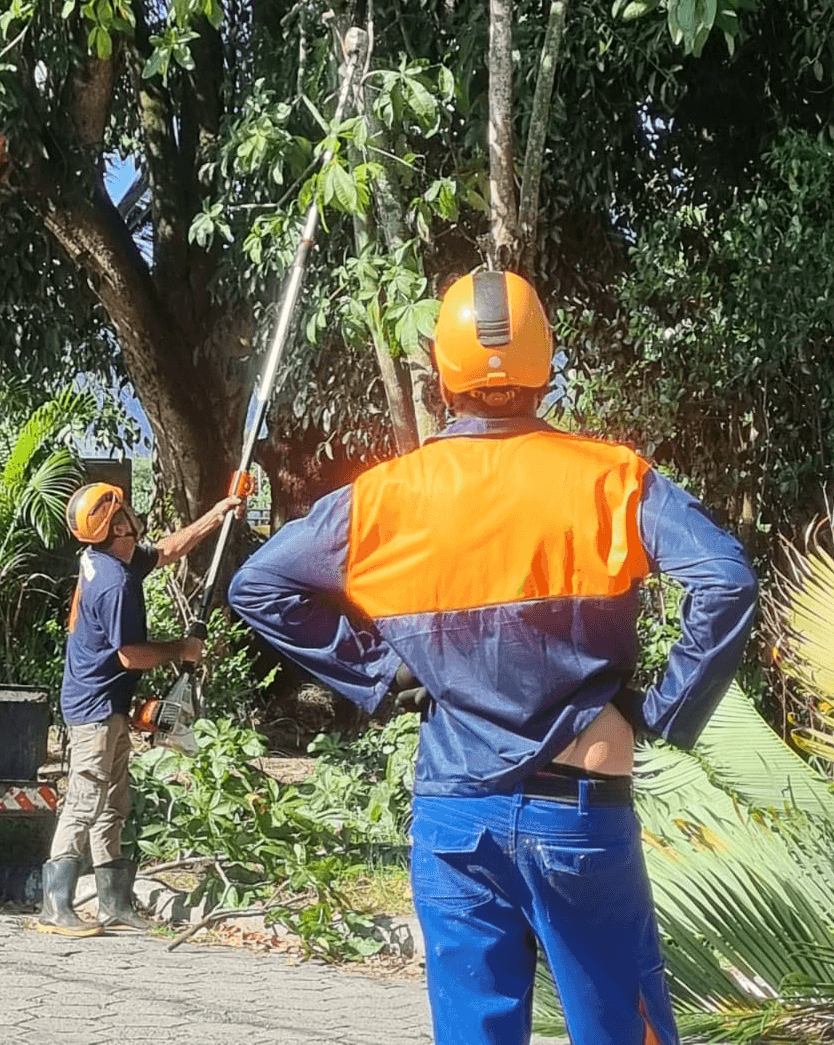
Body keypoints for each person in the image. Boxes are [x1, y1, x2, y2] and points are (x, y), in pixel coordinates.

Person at [228, 269, 757, 1043]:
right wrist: (664, 711)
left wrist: (381, 672)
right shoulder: (610, 478)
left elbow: (258, 586)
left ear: (443, 372)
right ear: (544, 362)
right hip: (579, 800)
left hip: (454, 811)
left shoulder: (385, 497)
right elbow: (726, 580)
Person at [37, 481, 240, 937]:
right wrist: (182, 648)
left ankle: (113, 903)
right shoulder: (113, 583)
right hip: (93, 707)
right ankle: (56, 906)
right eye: (124, 510)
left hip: (111, 704)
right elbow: (130, 655)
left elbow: (167, 550)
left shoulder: (114, 558)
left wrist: (218, 512)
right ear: (116, 527)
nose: (133, 513)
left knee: (114, 803)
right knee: (86, 801)